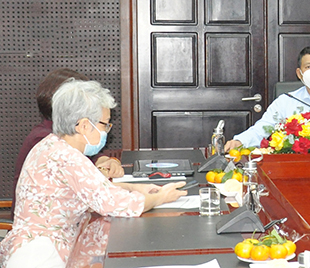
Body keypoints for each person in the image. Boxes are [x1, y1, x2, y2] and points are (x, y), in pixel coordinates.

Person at [0, 79, 186, 268]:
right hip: (41, 256)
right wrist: (162, 197)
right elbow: (116, 204)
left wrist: (133, 187)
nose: (107, 130)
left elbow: (90, 189)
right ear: (83, 125)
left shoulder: (52, 145)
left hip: (41, 248)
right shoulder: (67, 157)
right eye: (105, 124)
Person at [10, 69, 123, 219]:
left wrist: (104, 161)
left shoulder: (63, 135)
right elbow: (86, 182)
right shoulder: (46, 139)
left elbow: (87, 158)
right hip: (45, 228)